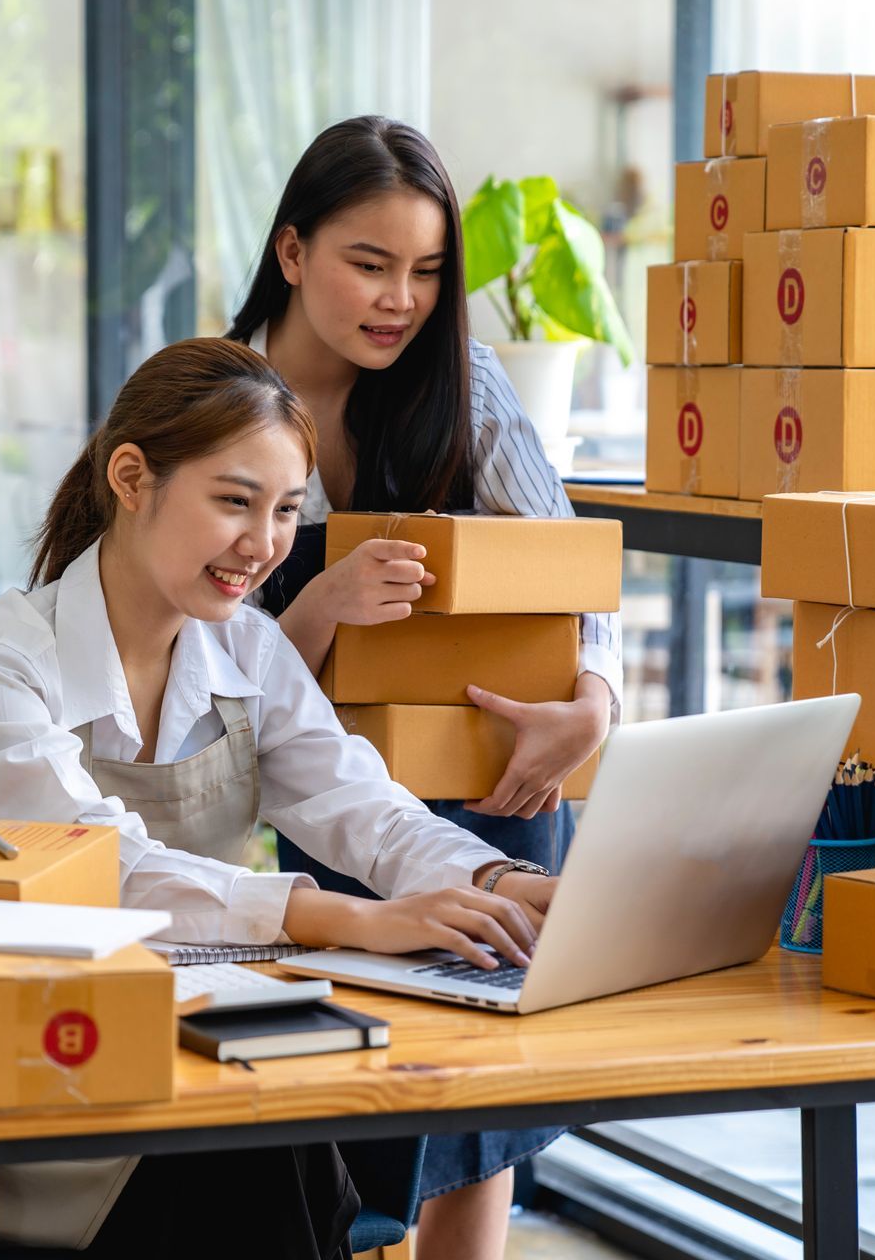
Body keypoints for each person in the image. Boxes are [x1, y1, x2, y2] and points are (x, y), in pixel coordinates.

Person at [0, 336, 558, 1258]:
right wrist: (342, 919)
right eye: (234, 501)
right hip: (41, 1075)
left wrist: (503, 881)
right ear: (132, 478)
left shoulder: (248, 653)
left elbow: (368, 812)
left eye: (286, 511)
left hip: (204, 1054)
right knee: (258, 1152)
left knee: (277, 1131)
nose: (263, 546)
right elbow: (101, 865)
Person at [225, 115, 624, 1256]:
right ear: (293, 252)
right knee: (361, 1094)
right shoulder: (220, 402)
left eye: (427, 271)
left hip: (503, 780)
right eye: (369, 263)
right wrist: (318, 607)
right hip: (324, 801)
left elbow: (568, 570)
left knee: (480, 1104)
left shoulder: (468, 382)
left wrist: (591, 704)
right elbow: (195, 672)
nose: (399, 299)